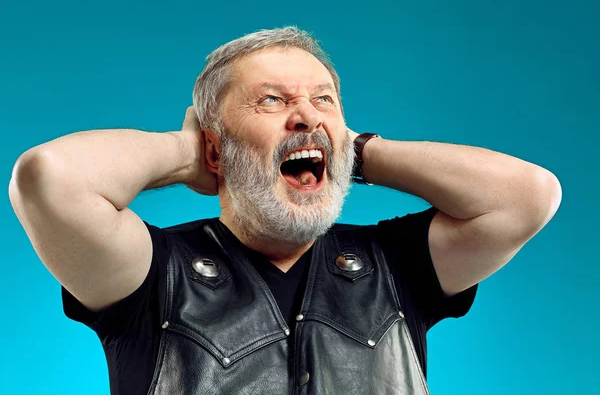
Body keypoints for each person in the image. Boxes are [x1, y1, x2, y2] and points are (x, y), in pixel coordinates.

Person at [9, 26, 562, 395]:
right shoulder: (153, 272)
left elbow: (529, 194)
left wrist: (356, 152)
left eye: (324, 100)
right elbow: (49, 179)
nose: (306, 116)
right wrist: (185, 153)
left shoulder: (396, 267)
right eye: (272, 101)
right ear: (217, 146)